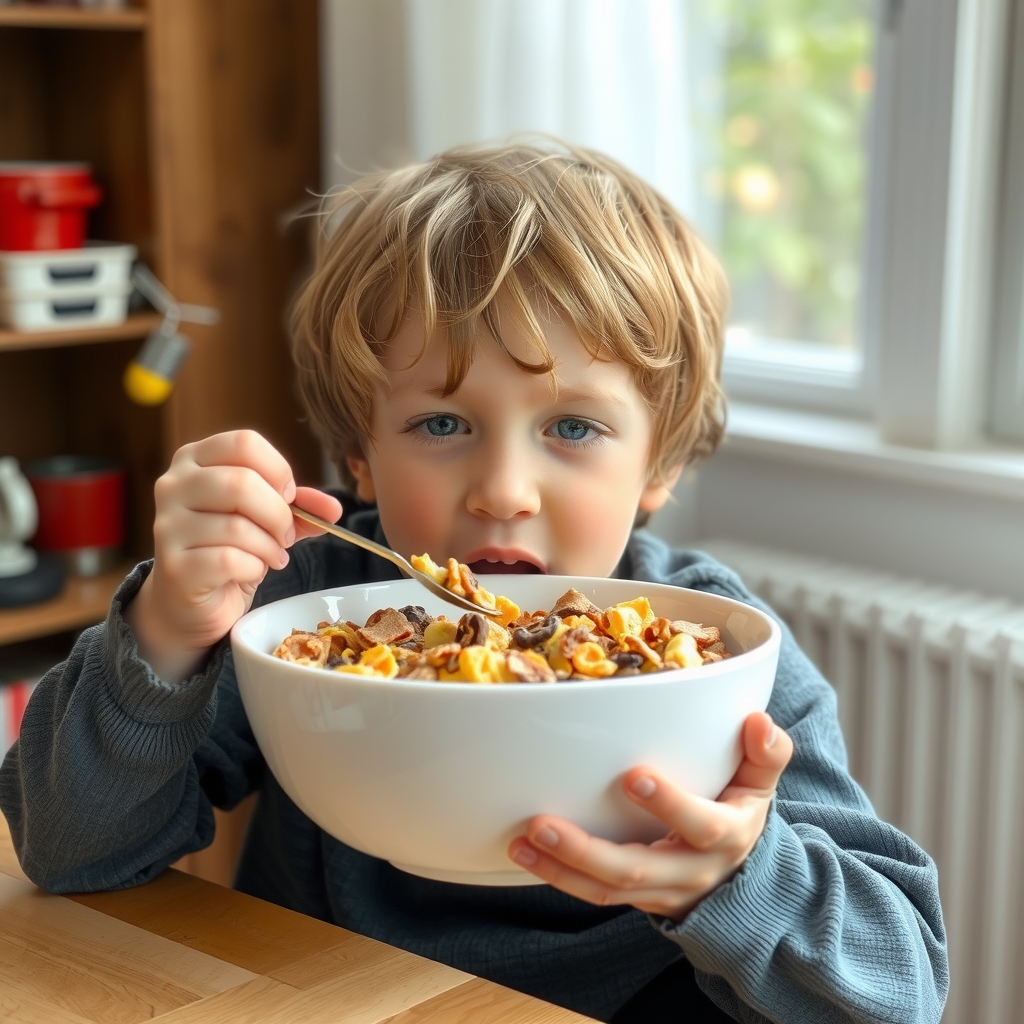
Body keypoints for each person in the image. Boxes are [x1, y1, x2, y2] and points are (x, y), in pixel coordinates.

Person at [0, 141, 946, 1023]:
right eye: (442, 425)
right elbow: (72, 852)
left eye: (573, 428)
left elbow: (900, 987)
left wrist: (735, 876)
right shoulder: (300, 603)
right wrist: (167, 626)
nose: (502, 494)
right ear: (357, 454)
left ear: (660, 463)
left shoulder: (723, 659)